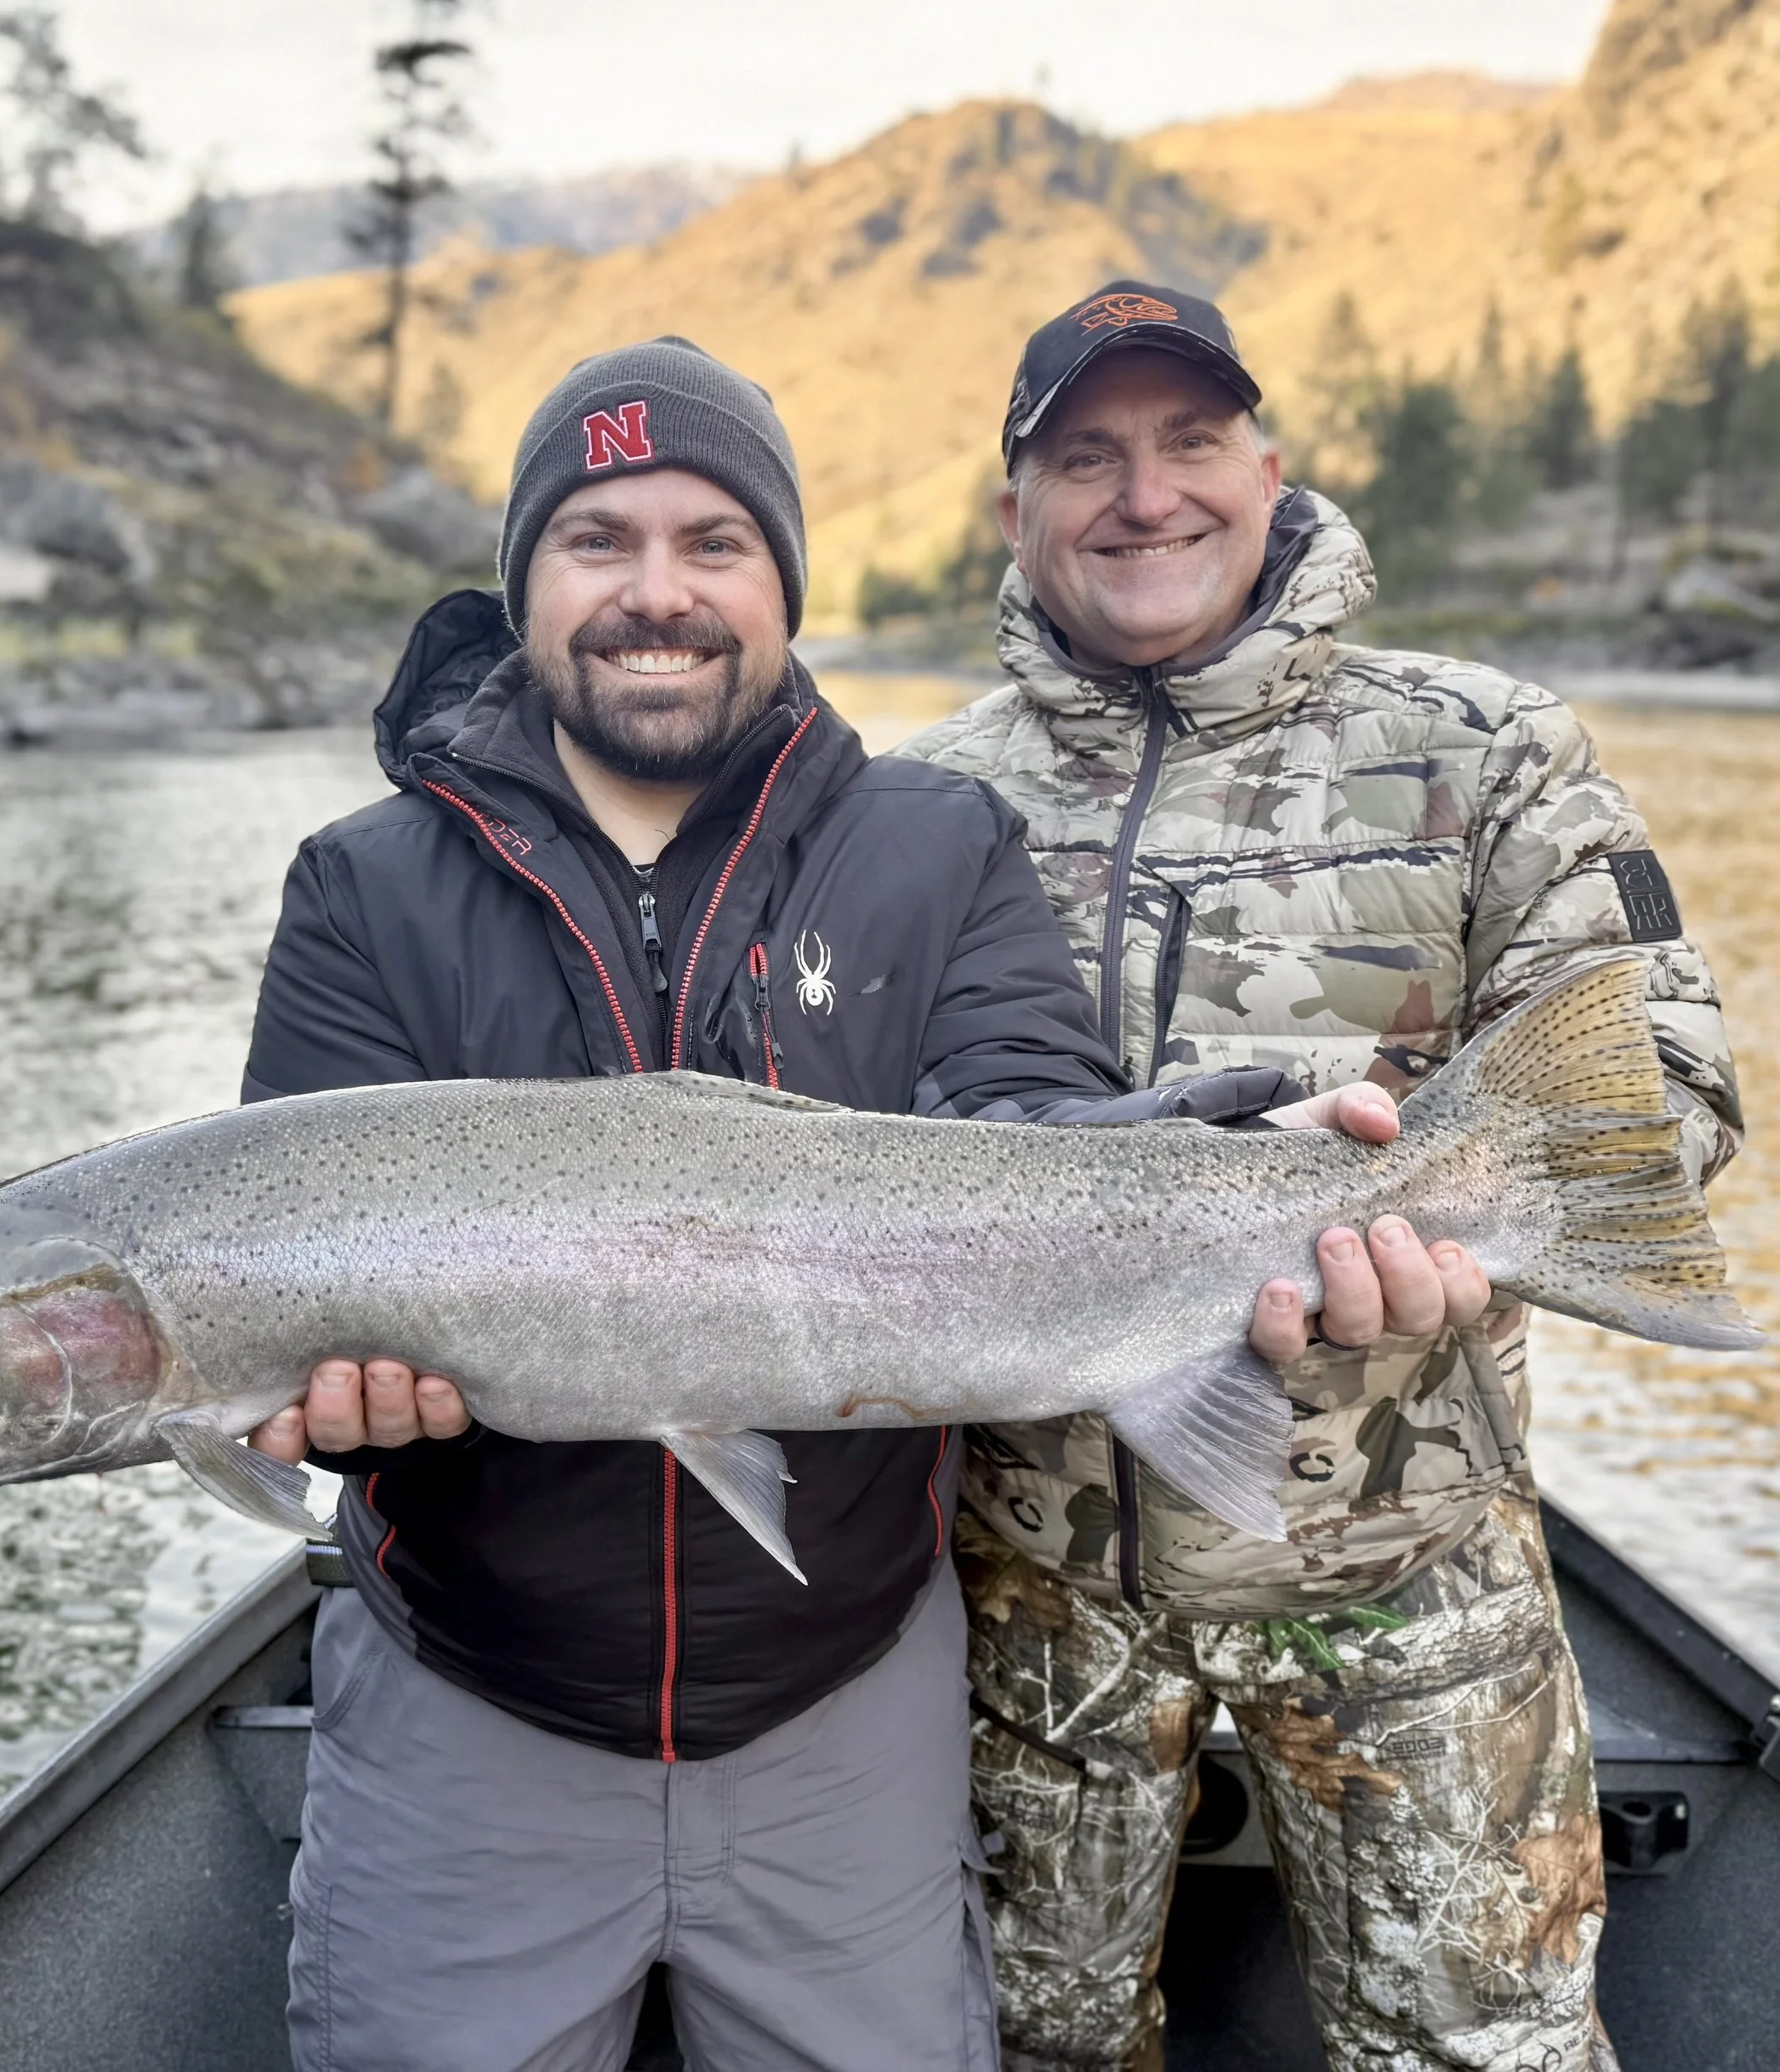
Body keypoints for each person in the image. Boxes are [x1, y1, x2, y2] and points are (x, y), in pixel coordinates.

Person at [237, 336, 1487, 2072]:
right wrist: (347, 1420)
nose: (653, 594)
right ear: (521, 582)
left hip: (849, 1704)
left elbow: (1020, 1122)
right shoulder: (360, 888)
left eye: (711, 542)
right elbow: (295, 1304)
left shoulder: (932, 842)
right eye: (596, 540)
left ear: (781, 585)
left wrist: (1195, 1144)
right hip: (469, 1698)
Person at [898, 280, 1743, 2072]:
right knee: (1018, 2054)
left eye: (1188, 443)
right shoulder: (908, 806)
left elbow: (1663, 1104)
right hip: (1018, 1603)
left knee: (1479, 2054)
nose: (1144, 495)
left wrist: (1473, 1238)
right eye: (1087, 456)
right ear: (1012, 510)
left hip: (1410, 1583)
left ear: (1267, 469)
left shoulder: (1486, 747)